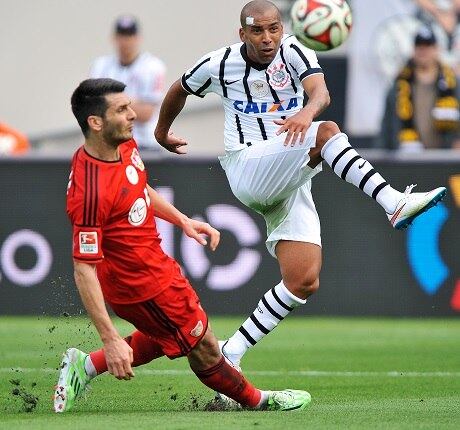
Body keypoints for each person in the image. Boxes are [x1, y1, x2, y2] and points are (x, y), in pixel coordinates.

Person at [154, 0, 447, 379]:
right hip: (247, 166)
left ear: (284, 27)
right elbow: (180, 88)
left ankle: (231, 352)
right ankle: (394, 201)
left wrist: (306, 112)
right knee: (326, 134)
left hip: (289, 170)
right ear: (242, 34)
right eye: (257, 31)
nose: (267, 37)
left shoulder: (295, 50)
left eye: (274, 28)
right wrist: (161, 132)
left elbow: (320, 93)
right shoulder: (219, 63)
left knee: (303, 280)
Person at [53, 78, 311, 413]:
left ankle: (84, 366)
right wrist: (110, 338)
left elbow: (139, 190)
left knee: (173, 334)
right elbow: (83, 268)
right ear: (95, 122)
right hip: (138, 285)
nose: (133, 114)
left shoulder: (122, 144)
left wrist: (182, 221)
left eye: (130, 105)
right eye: (122, 109)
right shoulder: (90, 190)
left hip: (156, 266)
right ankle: (257, 401)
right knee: (202, 344)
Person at [90, 15, 166, 151]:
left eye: (129, 36)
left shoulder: (152, 66)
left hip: (144, 144)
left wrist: (110, 101)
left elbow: (146, 113)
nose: (125, 41)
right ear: (114, 38)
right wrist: (131, 102)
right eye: (122, 36)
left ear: (138, 38)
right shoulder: (101, 66)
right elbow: (93, 105)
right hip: (110, 143)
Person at [379, 25, 460, 150]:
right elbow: (387, 126)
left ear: (436, 49)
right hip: (410, 161)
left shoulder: (453, 84)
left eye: (428, 46)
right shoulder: (399, 85)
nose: (423, 51)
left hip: (446, 159)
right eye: (419, 46)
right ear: (414, 50)